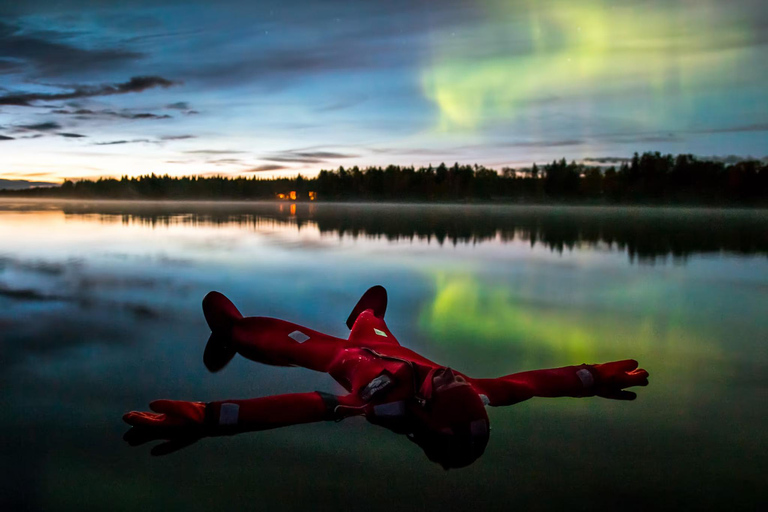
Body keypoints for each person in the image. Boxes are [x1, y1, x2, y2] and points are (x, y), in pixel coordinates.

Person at [124, 286, 649, 469]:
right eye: (461, 383)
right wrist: (591, 377)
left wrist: (207, 416)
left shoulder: (373, 405)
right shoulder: (474, 394)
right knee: (374, 321)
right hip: (383, 343)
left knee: (265, 337)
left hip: (338, 355)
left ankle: (233, 331)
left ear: (423, 411)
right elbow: (533, 383)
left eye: (448, 385)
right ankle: (364, 314)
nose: (452, 375)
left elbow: (299, 408)